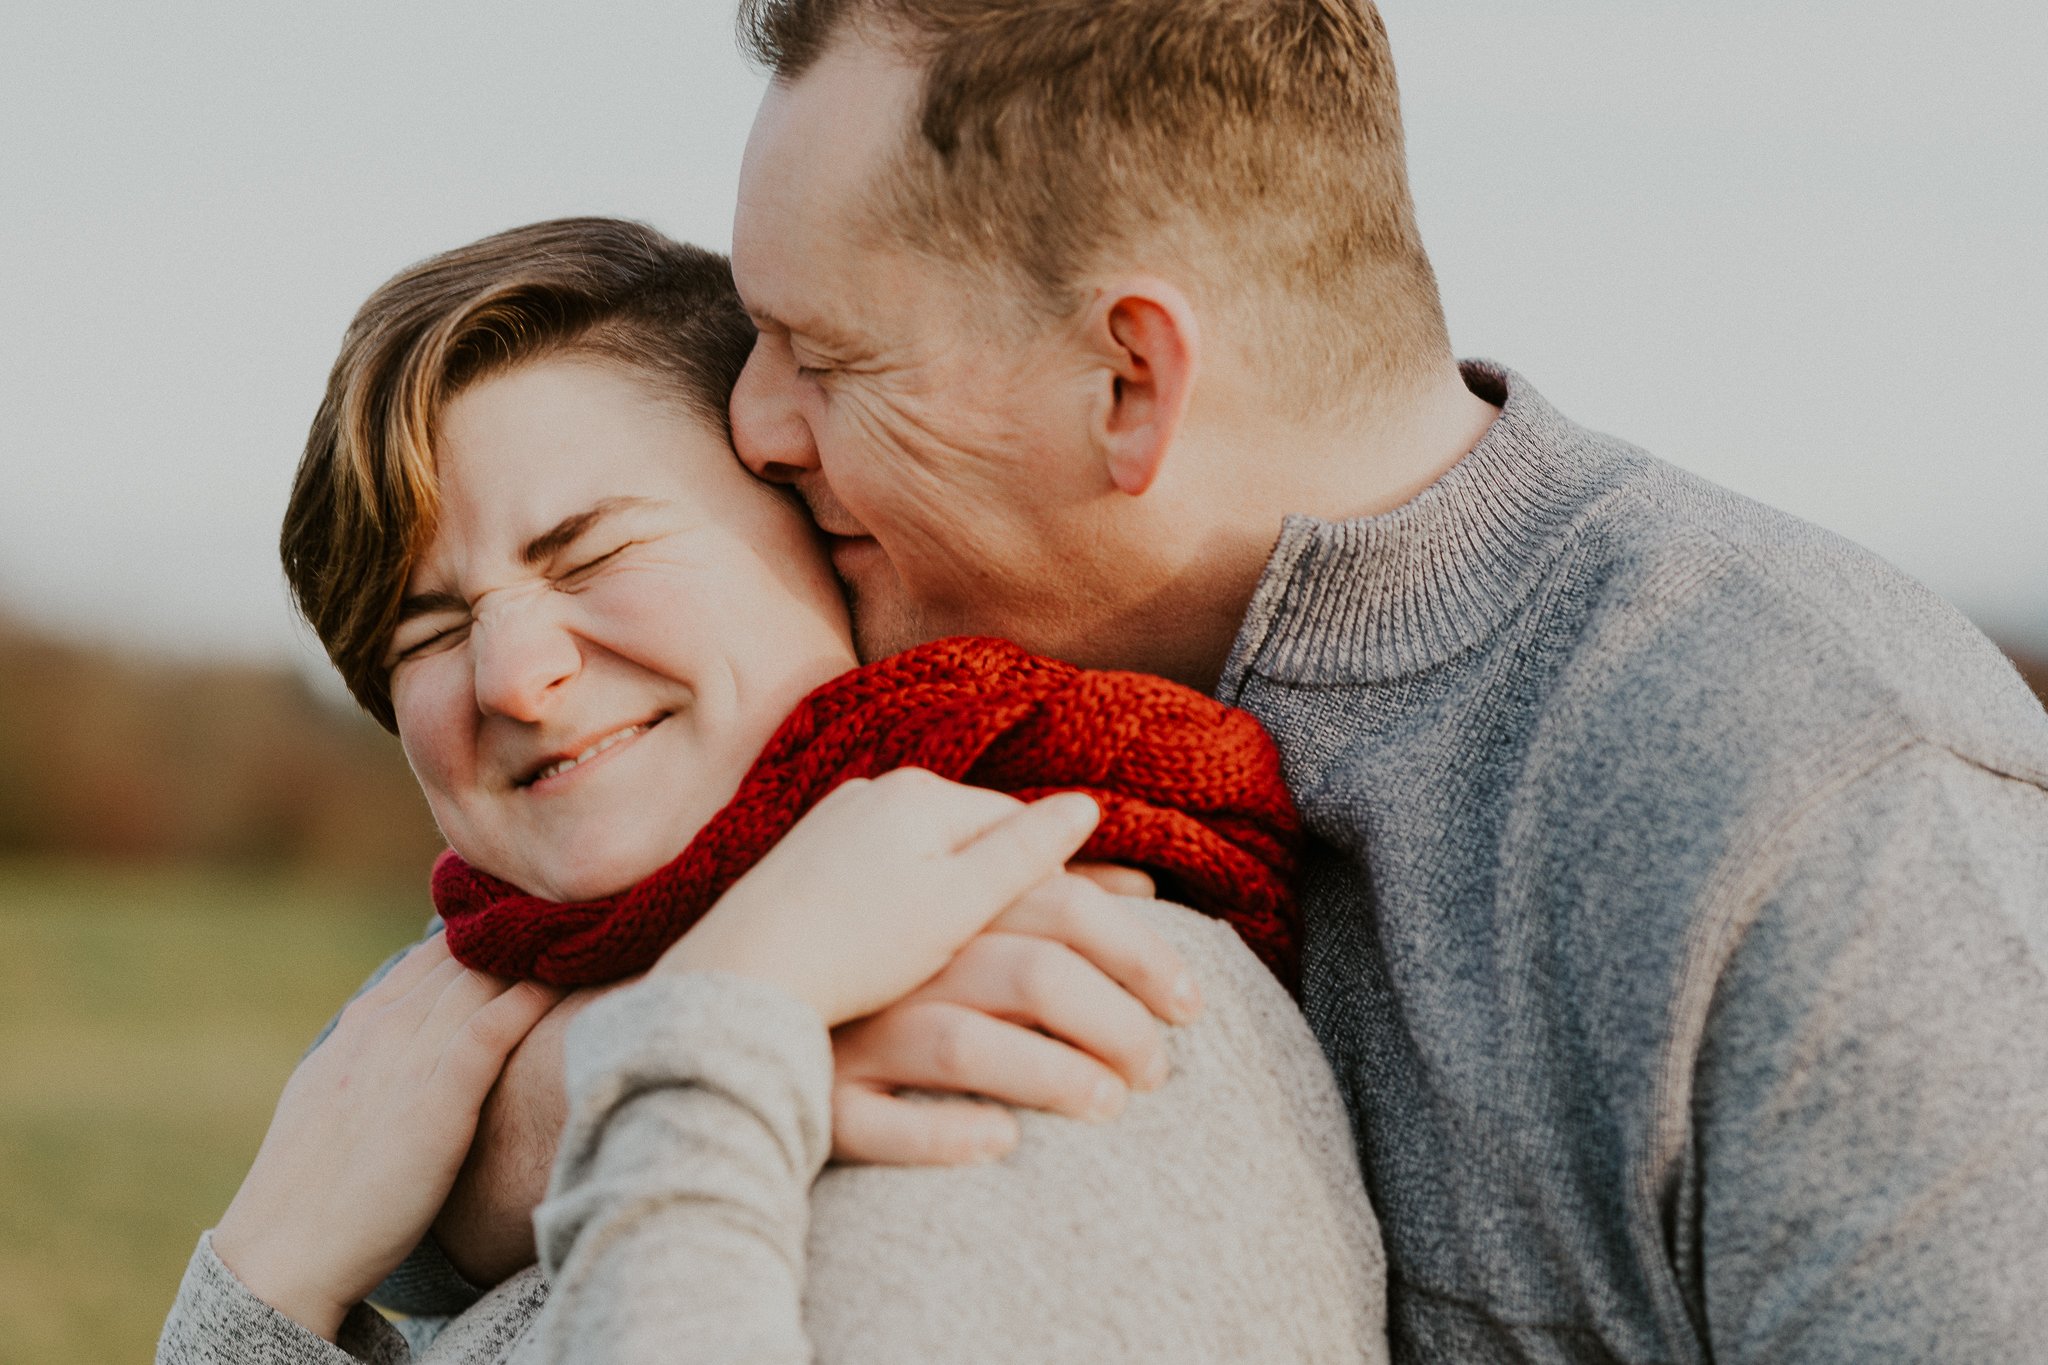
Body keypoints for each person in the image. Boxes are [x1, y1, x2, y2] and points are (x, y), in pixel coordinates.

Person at [423, 1, 2048, 1360]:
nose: (754, 430)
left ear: (1130, 381)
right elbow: (474, 1031)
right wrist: (667, 1063)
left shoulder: (1823, 814)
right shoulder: (954, 683)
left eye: (823, 358)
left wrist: (711, 1045)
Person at [156, 217, 1387, 1363]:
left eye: (592, 550)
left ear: (828, 524)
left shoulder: (1049, 999)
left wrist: (707, 1027)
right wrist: (271, 1271)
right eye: (426, 628)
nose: (514, 678)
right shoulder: (450, 1046)